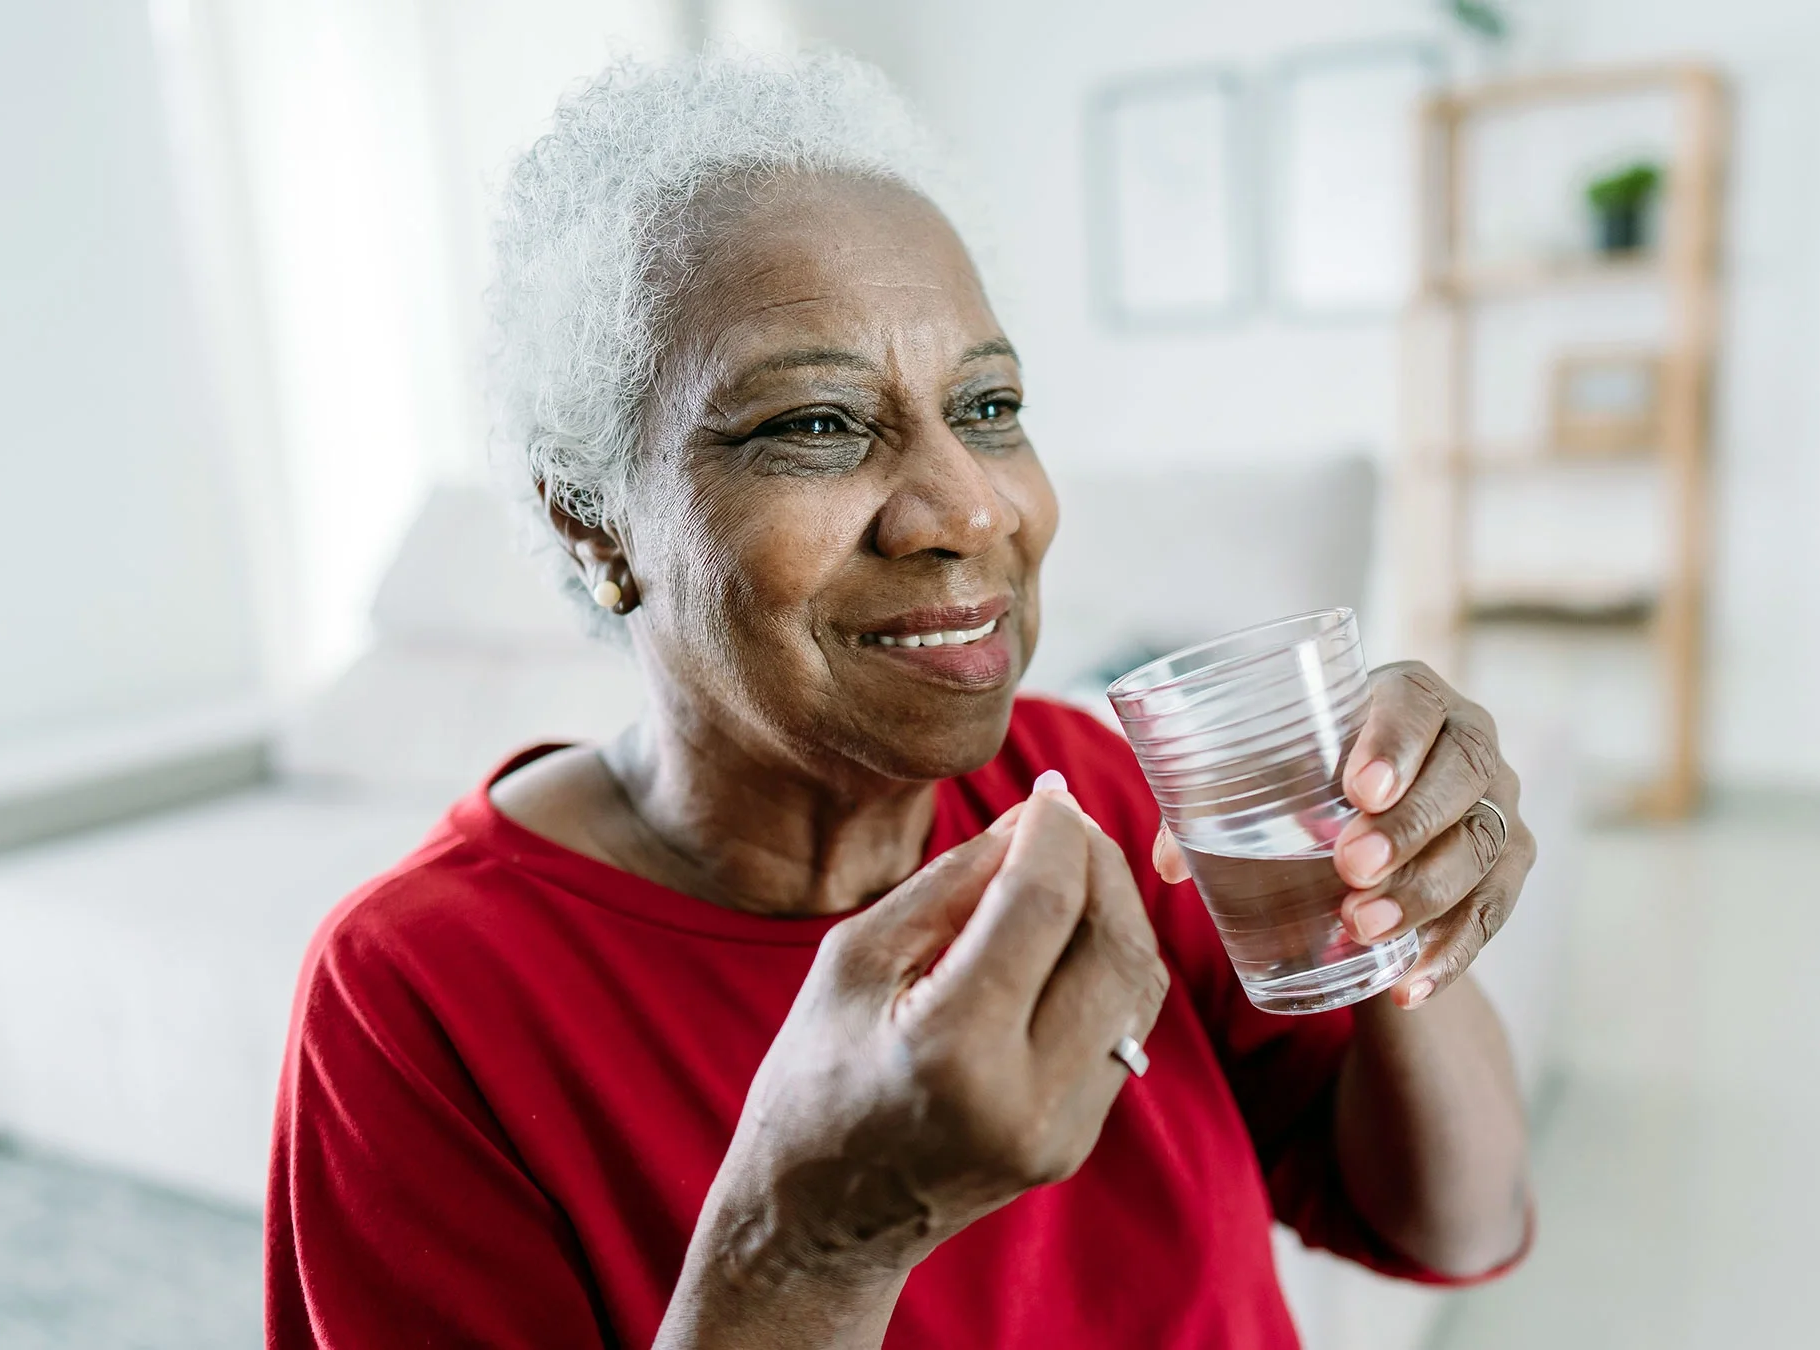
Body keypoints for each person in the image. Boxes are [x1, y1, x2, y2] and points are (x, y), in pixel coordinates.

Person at [266, 50, 1535, 1350]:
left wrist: (1400, 913)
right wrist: (807, 1241)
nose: (970, 506)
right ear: (593, 522)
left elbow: (1457, 1222)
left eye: (988, 406)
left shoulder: (1089, 791)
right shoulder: (411, 996)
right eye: (816, 421)